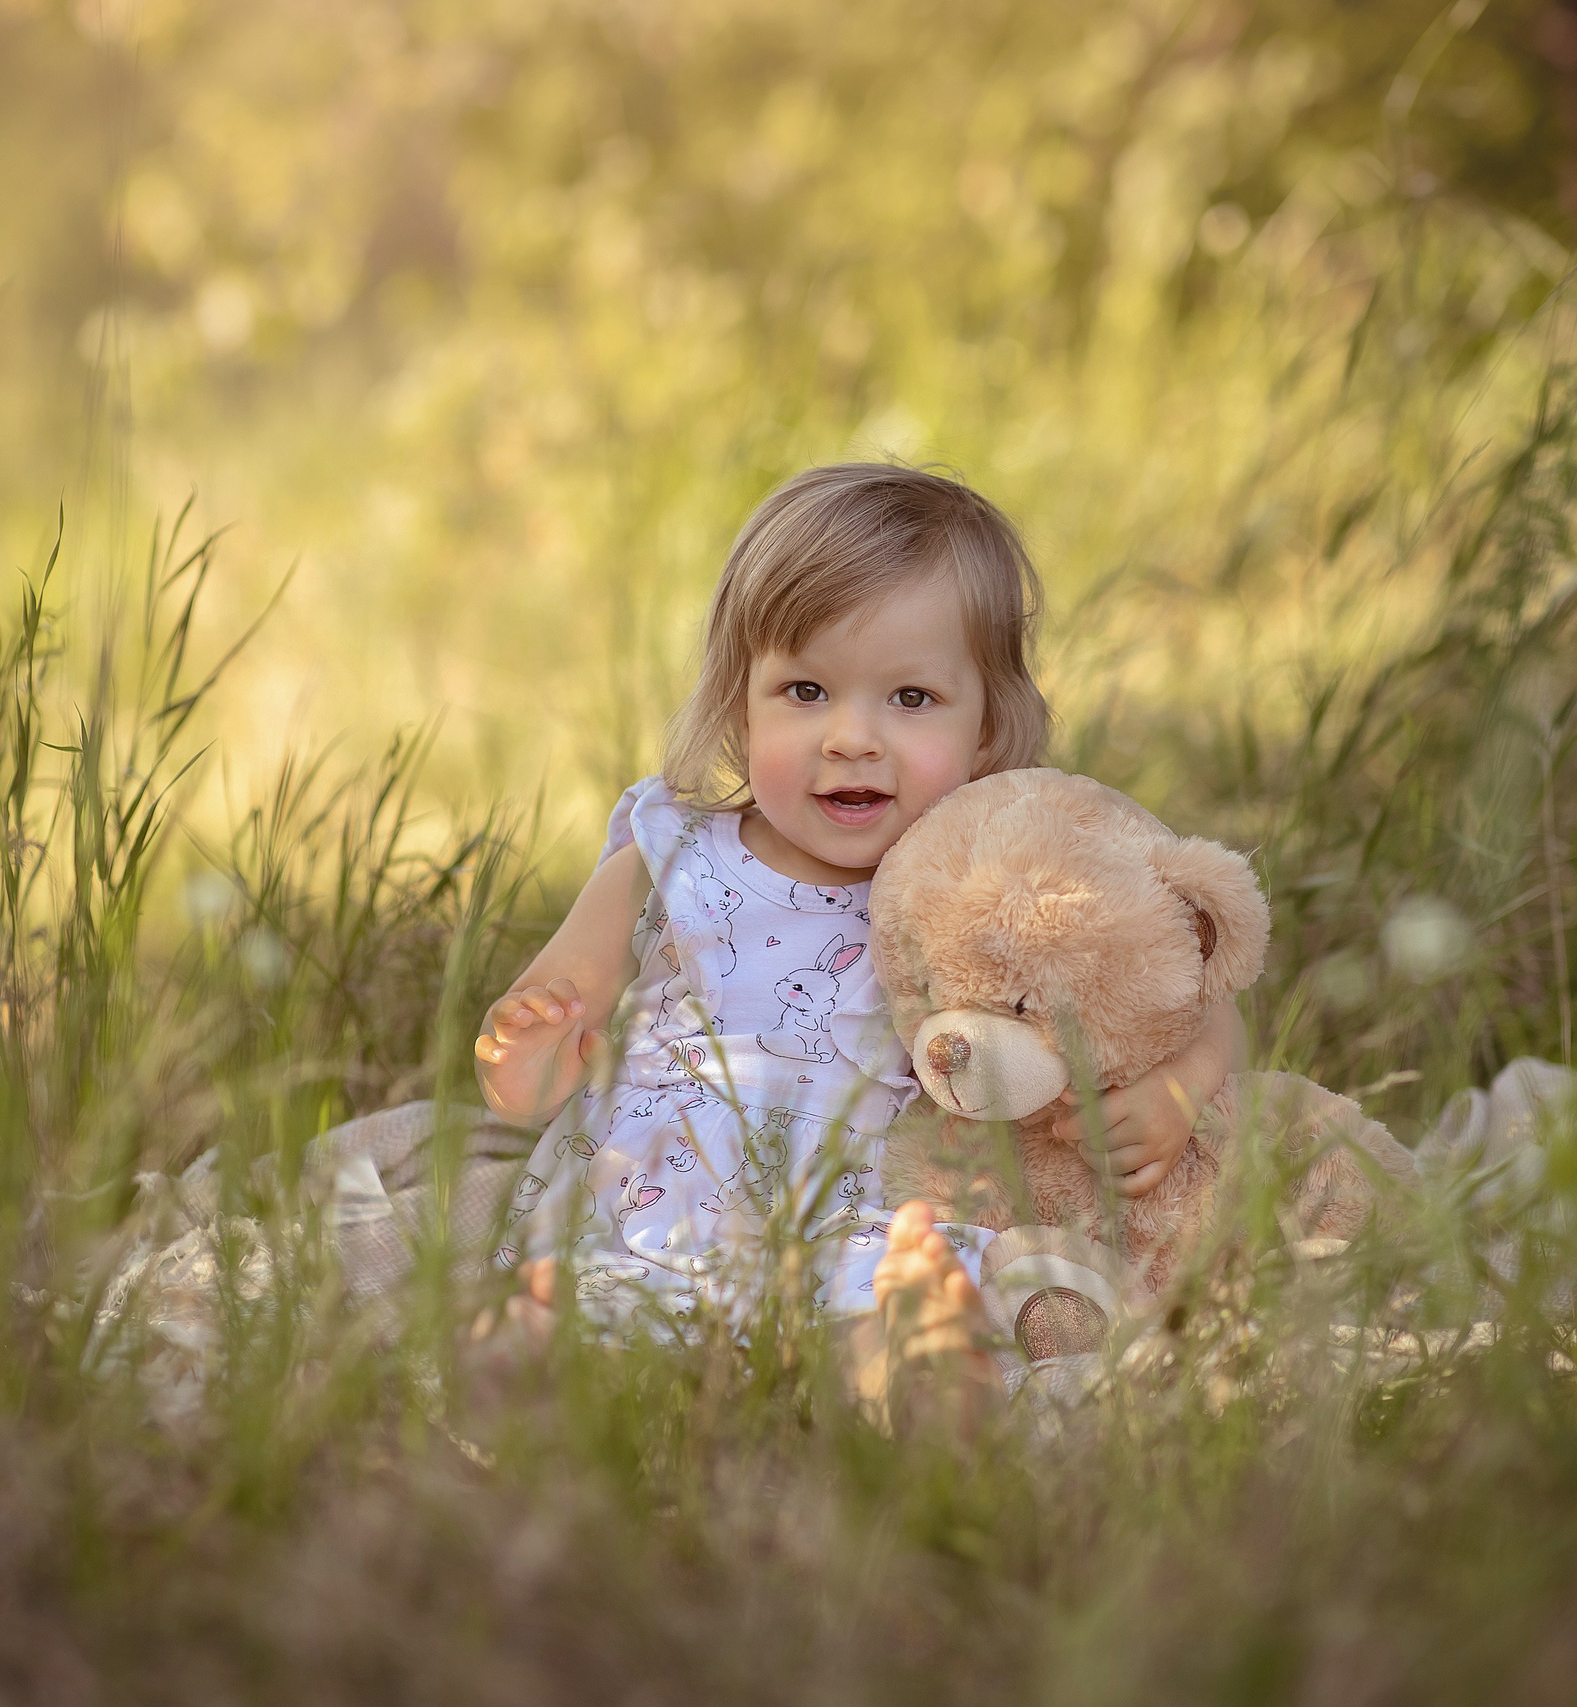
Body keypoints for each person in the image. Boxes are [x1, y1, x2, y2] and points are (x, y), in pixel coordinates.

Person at [471, 463, 1238, 1394]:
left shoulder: (990, 878)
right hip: (653, 1196)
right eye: (804, 692)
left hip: (870, 1206)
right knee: (584, 1313)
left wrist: (1180, 1092)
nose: (850, 737)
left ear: (989, 728)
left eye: (909, 699)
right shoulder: (669, 852)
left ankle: (911, 1381)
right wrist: (527, 1049)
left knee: (895, 1307)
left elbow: (1178, 990)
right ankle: (541, 1366)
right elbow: (550, 1031)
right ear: (737, 699)